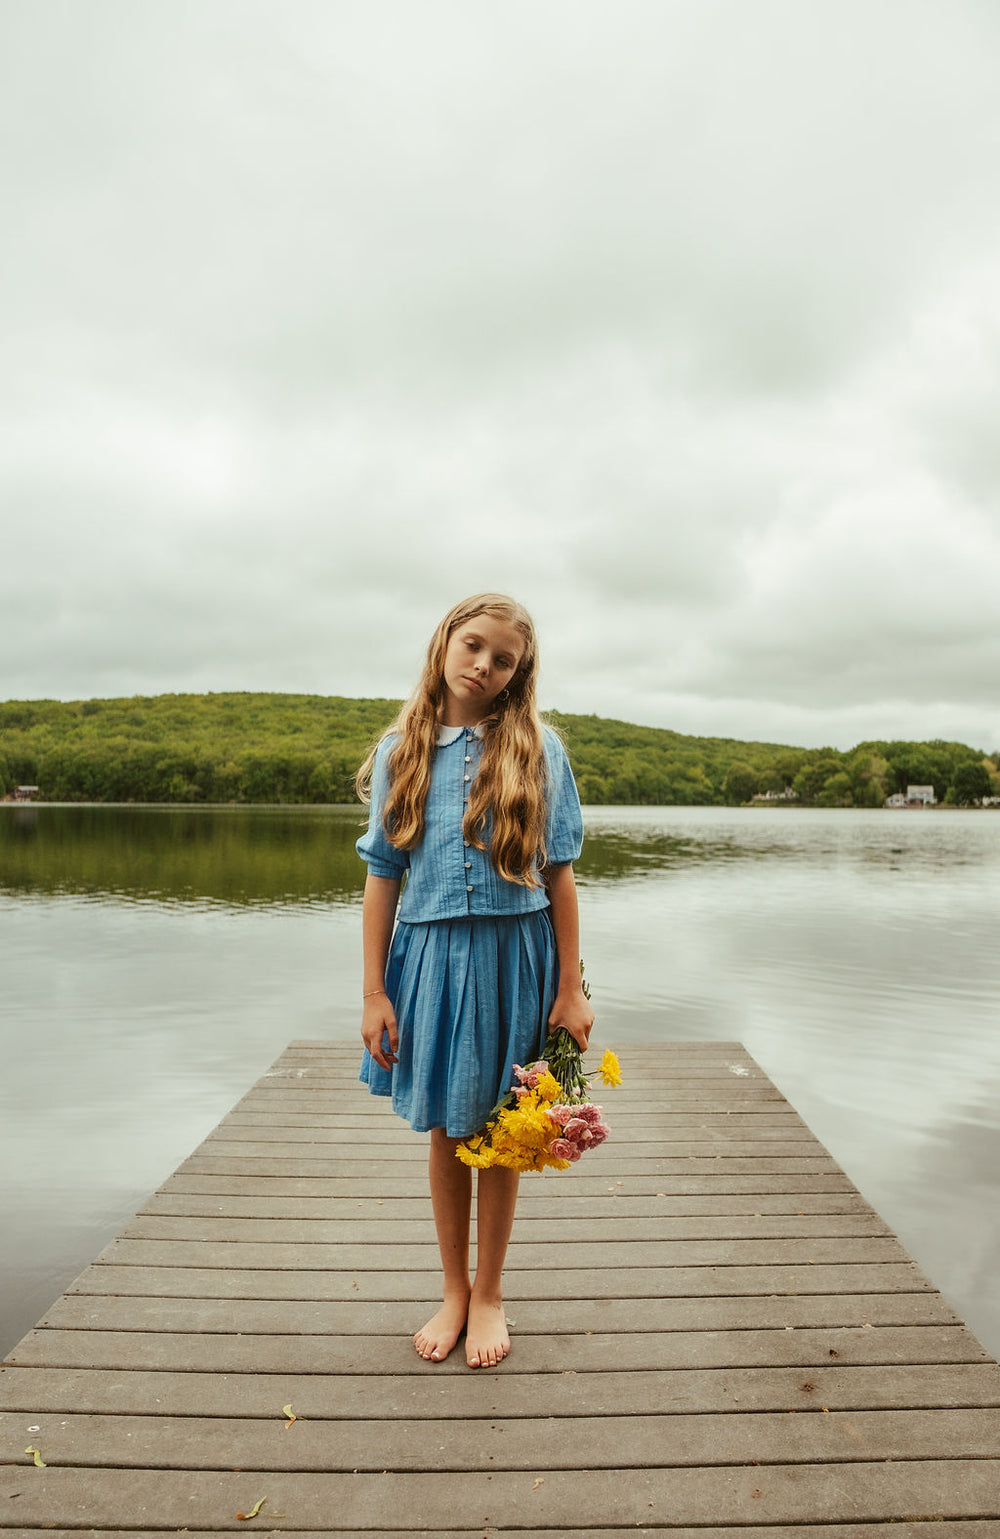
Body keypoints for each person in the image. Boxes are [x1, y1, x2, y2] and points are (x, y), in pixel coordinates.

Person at [356, 592, 594, 1369]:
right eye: (474, 646)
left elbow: (558, 877)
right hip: (427, 960)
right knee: (448, 1127)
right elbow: (382, 879)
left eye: (504, 659)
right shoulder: (403, 750)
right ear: (444, 642)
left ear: (518, 674)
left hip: (513, 956)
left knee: (501, 1129)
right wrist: (373, 991)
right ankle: (452, 1288)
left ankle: (490, 1291)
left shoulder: (537, 748)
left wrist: (571, 988)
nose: (484, 665)